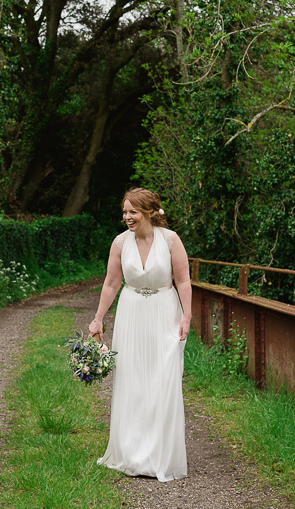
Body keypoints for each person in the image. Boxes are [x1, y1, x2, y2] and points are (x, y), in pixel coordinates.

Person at [89, 187, 192, 482]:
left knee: (163, 380)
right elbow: (111, 284)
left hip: (165, 311)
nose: (127, 217)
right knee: (132, 380)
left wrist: (187, 314)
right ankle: (131, 453)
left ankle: (160, 455)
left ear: (149, 212)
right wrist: (98, 318)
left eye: (132, 212)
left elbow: (183, 280)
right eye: (124, 212)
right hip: (131, 312)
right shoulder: (120, 243)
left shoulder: (171, 240)